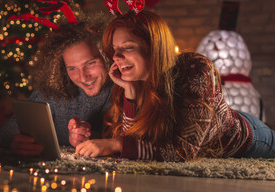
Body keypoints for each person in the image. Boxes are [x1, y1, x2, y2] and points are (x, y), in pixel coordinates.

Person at [75, 9, 275, 161]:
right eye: (115, 49)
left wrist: (115, 144)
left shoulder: (196, 70)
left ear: (155, 48)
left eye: (127, 47)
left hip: (249, 137)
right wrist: (130, 92)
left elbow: (182, 151)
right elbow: (133, 144)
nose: (116, 57)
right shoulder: (129, 80)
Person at [0, 12, 113, 156]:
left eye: (90, 63)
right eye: (72, 68)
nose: (83, 77)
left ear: (106, 55)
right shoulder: (54, 89)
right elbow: (4, 132)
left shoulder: (123, 88)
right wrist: (15, 142)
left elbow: (134, 141)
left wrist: (91, 137)